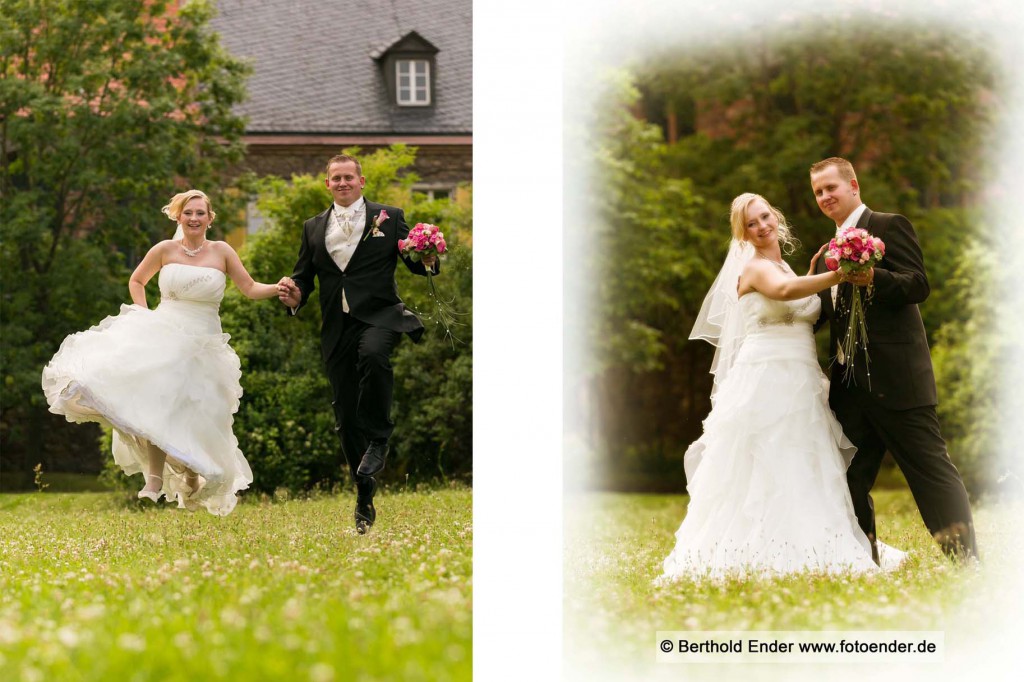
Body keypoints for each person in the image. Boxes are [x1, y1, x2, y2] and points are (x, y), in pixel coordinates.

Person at [661, 193, 902, 580]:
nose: (761, 226)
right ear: (744, 233)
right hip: (767, 375)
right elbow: (787, 294)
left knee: (804, 457)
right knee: (768, 456)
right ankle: (757, 543)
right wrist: (844, 271)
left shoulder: (788, 267)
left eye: (764, 217)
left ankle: (816, 537)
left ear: (776, 216)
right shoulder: (756, 269)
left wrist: (831, 274)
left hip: (802, 375)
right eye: (751, 224)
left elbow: (805, 295)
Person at [42, 189, 288, 515]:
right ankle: (154, 479)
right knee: (160, 401)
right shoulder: (164, 249)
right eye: (189, 213)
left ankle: (189, 474)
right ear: (179, 216)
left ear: (210, 218)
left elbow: (249, 288)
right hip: (166, 334)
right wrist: (144, 317)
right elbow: (137, 281)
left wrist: (278, 288)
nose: (194, 218)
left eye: (200, 213)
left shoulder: (222, 251)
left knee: (196, 412)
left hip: (204, 341)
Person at [809, 157, 978, 561]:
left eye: (831, 187)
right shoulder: (823, 256)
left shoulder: (888, 225)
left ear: (853, 185)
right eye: (818, 192)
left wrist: (873, 278)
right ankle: (861, 562)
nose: (825, 196)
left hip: (899, 381)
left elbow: (918, 284)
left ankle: (966, 560)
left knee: (930, 473)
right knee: (846, 480)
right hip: (849, 388)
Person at [277, 154, 437, 534]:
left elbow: (414, 261)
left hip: (380, 314)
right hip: (337, 325)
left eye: (349, 177)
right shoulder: (312, 227)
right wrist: (293, 297)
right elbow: (304, 278)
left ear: (361, 182)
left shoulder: (390, 216)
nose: (343, 183)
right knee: (345, 415)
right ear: (327, 184)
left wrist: (428, 256)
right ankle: (363, 491)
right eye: (336, 178)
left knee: (375, 355)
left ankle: (379, 438)